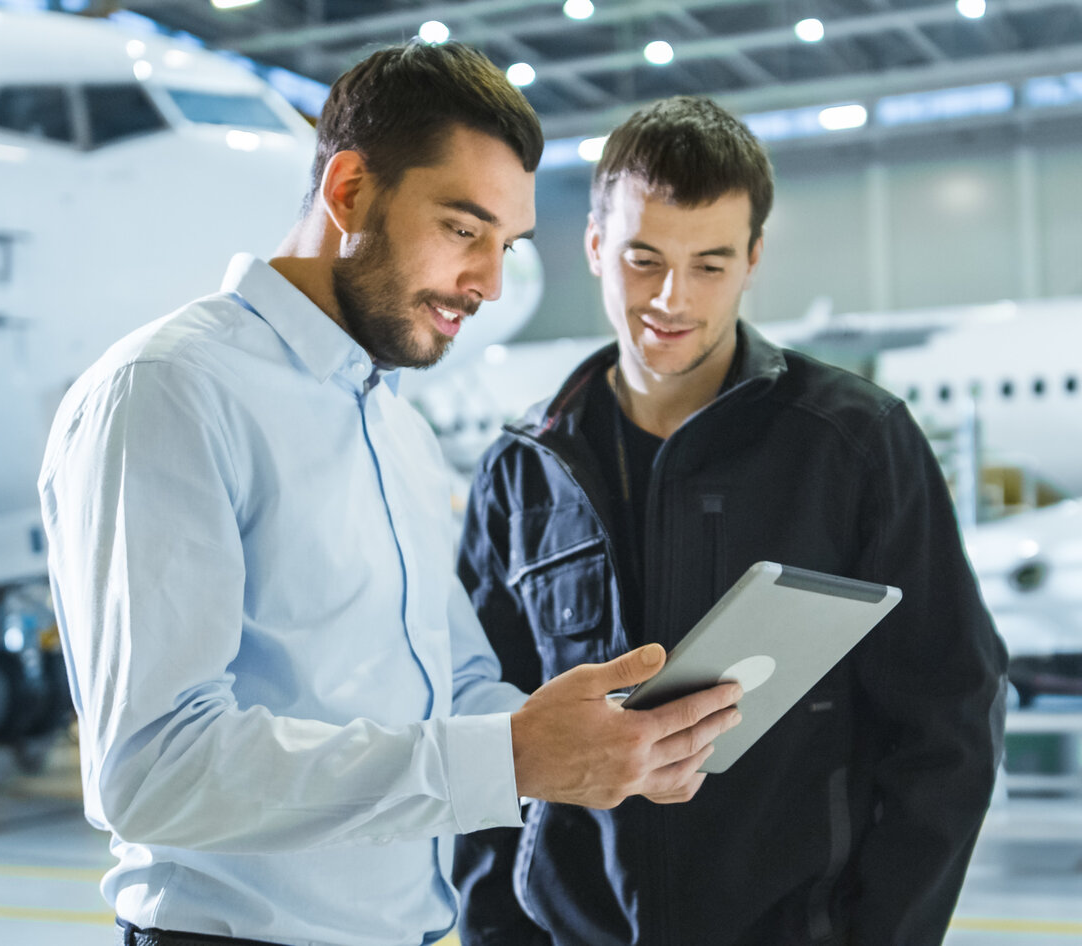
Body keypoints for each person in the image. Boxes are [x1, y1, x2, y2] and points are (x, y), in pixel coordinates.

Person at [40, 45, 741, 946]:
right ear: (348, 194)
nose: (488, 282)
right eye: (462, 229)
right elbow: (155, 770)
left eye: (505, 245)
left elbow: (450, 688)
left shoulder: (394, 425)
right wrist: (508, 756)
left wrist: (605, 744)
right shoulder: (171, 390)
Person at [453, 95, 1009, 946]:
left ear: (753, 261)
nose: (671, 299)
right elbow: (483, 730)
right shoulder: (524, 471)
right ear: (595, 246)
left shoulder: (853, 444)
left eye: (710, 264)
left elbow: (951, 719)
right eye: (643, 259)